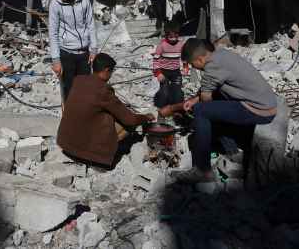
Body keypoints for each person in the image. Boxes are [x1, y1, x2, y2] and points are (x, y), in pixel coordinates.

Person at [176, 38, 277, 183]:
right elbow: (213, 87)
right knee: (212, 105)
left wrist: (198, 110)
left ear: (199, 59)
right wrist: (193, 99)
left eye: (193, 64)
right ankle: (232, 151)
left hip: (259, 110)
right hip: (265, 103)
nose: (194, 68)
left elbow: (206, 101)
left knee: (201, 111)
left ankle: (202, 171)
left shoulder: (212, 67)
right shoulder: (220, 55)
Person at [57, 53, 156, 167]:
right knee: (122, 123)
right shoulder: (103, 90)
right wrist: (146, 117)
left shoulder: (78, 80)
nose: (110, 76)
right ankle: (99, 156)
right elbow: (130, 119)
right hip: (85, 152)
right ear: (106, 70)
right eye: (111, 72)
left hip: (65, 142)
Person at [48, 0, 96, 101]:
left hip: (84, 54)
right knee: (69, 91)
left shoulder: (85, 0)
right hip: (66, 54)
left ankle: (84, 118)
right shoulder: (55, 5)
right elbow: (53, 33)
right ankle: (71, 118)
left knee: (85, 90)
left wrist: (93, 49)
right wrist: (56, 60)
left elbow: (91, 25)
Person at [151, 20, 187, 109]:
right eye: (170, 37)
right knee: (164, 92)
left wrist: (185, 66)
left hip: (176, 72)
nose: (173, 39)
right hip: (164, 72)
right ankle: (162, 110)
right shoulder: (162, 45)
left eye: (176, 36)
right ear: (166, 35)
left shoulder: (181, 44)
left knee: (177, 92)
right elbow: (156, 60)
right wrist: (158, 73)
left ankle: (177, 110)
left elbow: (184, 57)